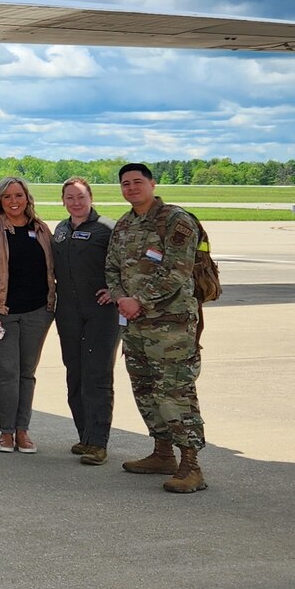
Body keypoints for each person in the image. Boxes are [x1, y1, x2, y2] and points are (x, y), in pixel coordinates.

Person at [105, 163, 208, 493]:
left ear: (152, 183)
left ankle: (191, 464)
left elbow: (178, 271)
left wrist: (140, 301)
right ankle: (163, 453)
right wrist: (121, 298)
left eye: (137, 182)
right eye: (125, 184)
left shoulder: (177, 220)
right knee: (145, 389)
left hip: (170, 328)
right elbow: (112, 269)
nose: (131, 188)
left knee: (174, 391)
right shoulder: (123, 224)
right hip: (135, 326)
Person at [0, 175, 55, 455]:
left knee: (26, 374)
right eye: (7, 196)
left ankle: (23, 430)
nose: (14, 201)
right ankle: (6, 432)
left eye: (19, 195)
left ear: (27, 198)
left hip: (36, 313)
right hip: (0, 314)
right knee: (6, 373)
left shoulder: (40, 229)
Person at [53, 176, 121, 465]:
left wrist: (117, 291)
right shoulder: (61, 229)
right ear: (63, 201)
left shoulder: (107, 229)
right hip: (68, 311)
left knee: (97, 376)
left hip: (100, 313)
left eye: (80, 196)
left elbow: (128, 263)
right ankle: (84, 436)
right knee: (75, 375)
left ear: (91, 197)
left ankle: (98, 442)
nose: (76, 202)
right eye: (70, 197)